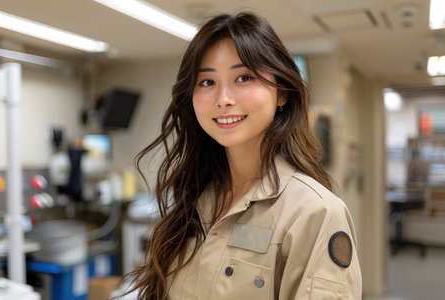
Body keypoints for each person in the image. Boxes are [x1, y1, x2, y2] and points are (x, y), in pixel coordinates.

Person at [125, 12, 362, 300]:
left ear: (283, 93)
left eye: (244, 77)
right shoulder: (194, 198)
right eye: (207, 82)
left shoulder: (316, 213)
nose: (223, 98)